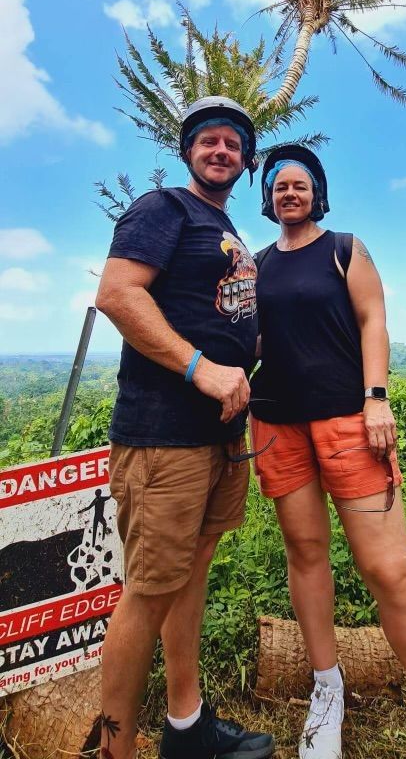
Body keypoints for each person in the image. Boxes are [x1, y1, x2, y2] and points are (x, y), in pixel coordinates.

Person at [250, 145, 406, 759]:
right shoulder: (257, 264)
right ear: (268, 198)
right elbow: (251, 339)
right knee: (305, 553)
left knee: (390, 569)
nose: (289, 192)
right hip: (277, 425)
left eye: (299, 184)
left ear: (317, 193)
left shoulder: (345, 249)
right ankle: (328, 690)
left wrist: (378, 398)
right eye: (278, 185)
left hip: (349, 421)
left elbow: (374, 320)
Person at [95, 97, 275, 759]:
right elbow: (118, 294)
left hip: (219, 436)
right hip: (162, 435)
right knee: (148, 591)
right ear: (188, 152)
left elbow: (227, 315)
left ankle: (186, 726)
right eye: (209, 140)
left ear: (245, 162)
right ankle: (113, 750)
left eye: (233, 143)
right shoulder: (164, 208)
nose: (221, 150)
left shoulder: (224, 228)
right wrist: (201, 367)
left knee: (190, 575)